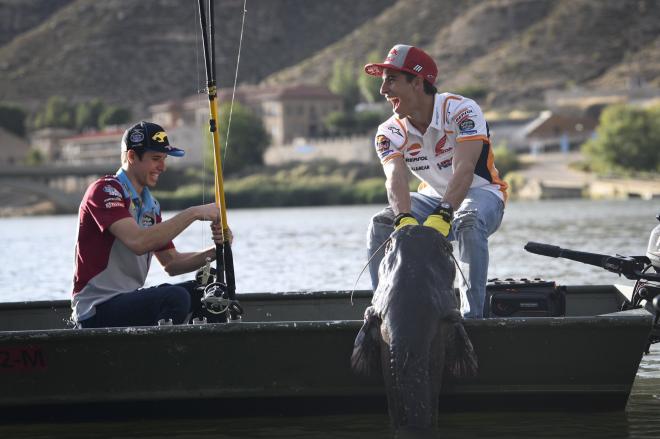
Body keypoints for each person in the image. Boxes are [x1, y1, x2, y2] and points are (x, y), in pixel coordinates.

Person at [364, 44, 507, 318]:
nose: (383, 91)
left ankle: (472, 317)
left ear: (418, 82)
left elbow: (464, 169)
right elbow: (395, 177)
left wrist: (444, 213)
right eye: (383, 83)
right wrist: (403, 217)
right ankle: (382, 312)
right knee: (380, 224)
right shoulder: (388, 131)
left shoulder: (463, 110)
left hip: (483, 193)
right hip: (430, 198)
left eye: (391, 80)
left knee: (468, 220)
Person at [71, 121, 228, 328]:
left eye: (164, 159)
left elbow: (171, 263)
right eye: (156, 159)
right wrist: (194, 213)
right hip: (95, 310)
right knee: (174, 297)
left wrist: (219, 249)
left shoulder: (150, 205)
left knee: (210, 289)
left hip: (126, 302)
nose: (162, 167)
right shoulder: (104, 191)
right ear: (132, 157)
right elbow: (138, 242)